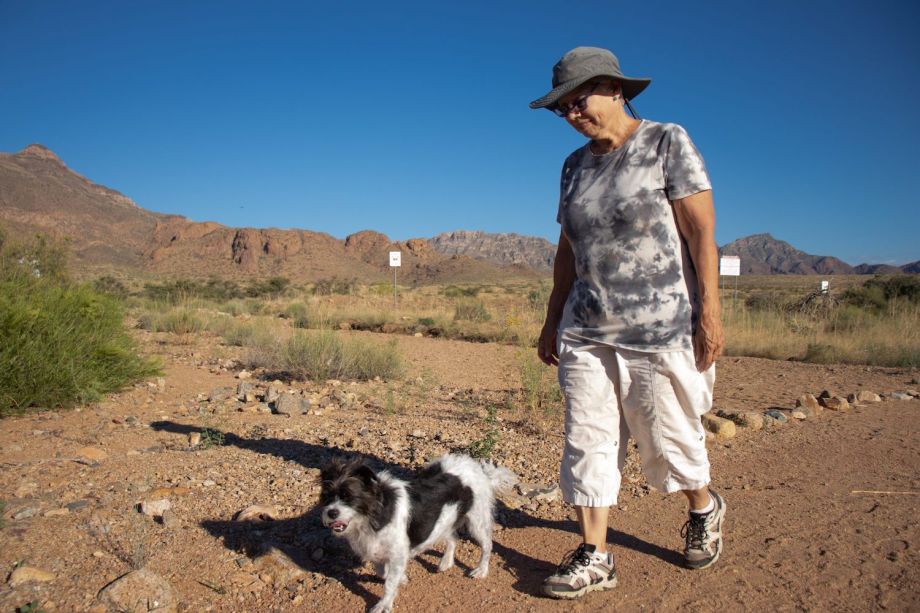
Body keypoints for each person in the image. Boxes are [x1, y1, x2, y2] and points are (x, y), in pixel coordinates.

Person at [529, 46, 726, 599]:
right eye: (562, 107)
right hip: (586, 328)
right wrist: (552, 318)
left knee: (668, 439)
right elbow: (567, 249)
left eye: (579, 99)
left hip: (661, 327)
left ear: (616, 90)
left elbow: (700, 234)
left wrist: (709, 311)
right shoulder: (573, 167)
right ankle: (594, 553)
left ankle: (704, 507)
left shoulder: (666, 141)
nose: (572, 113)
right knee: (587, 440)